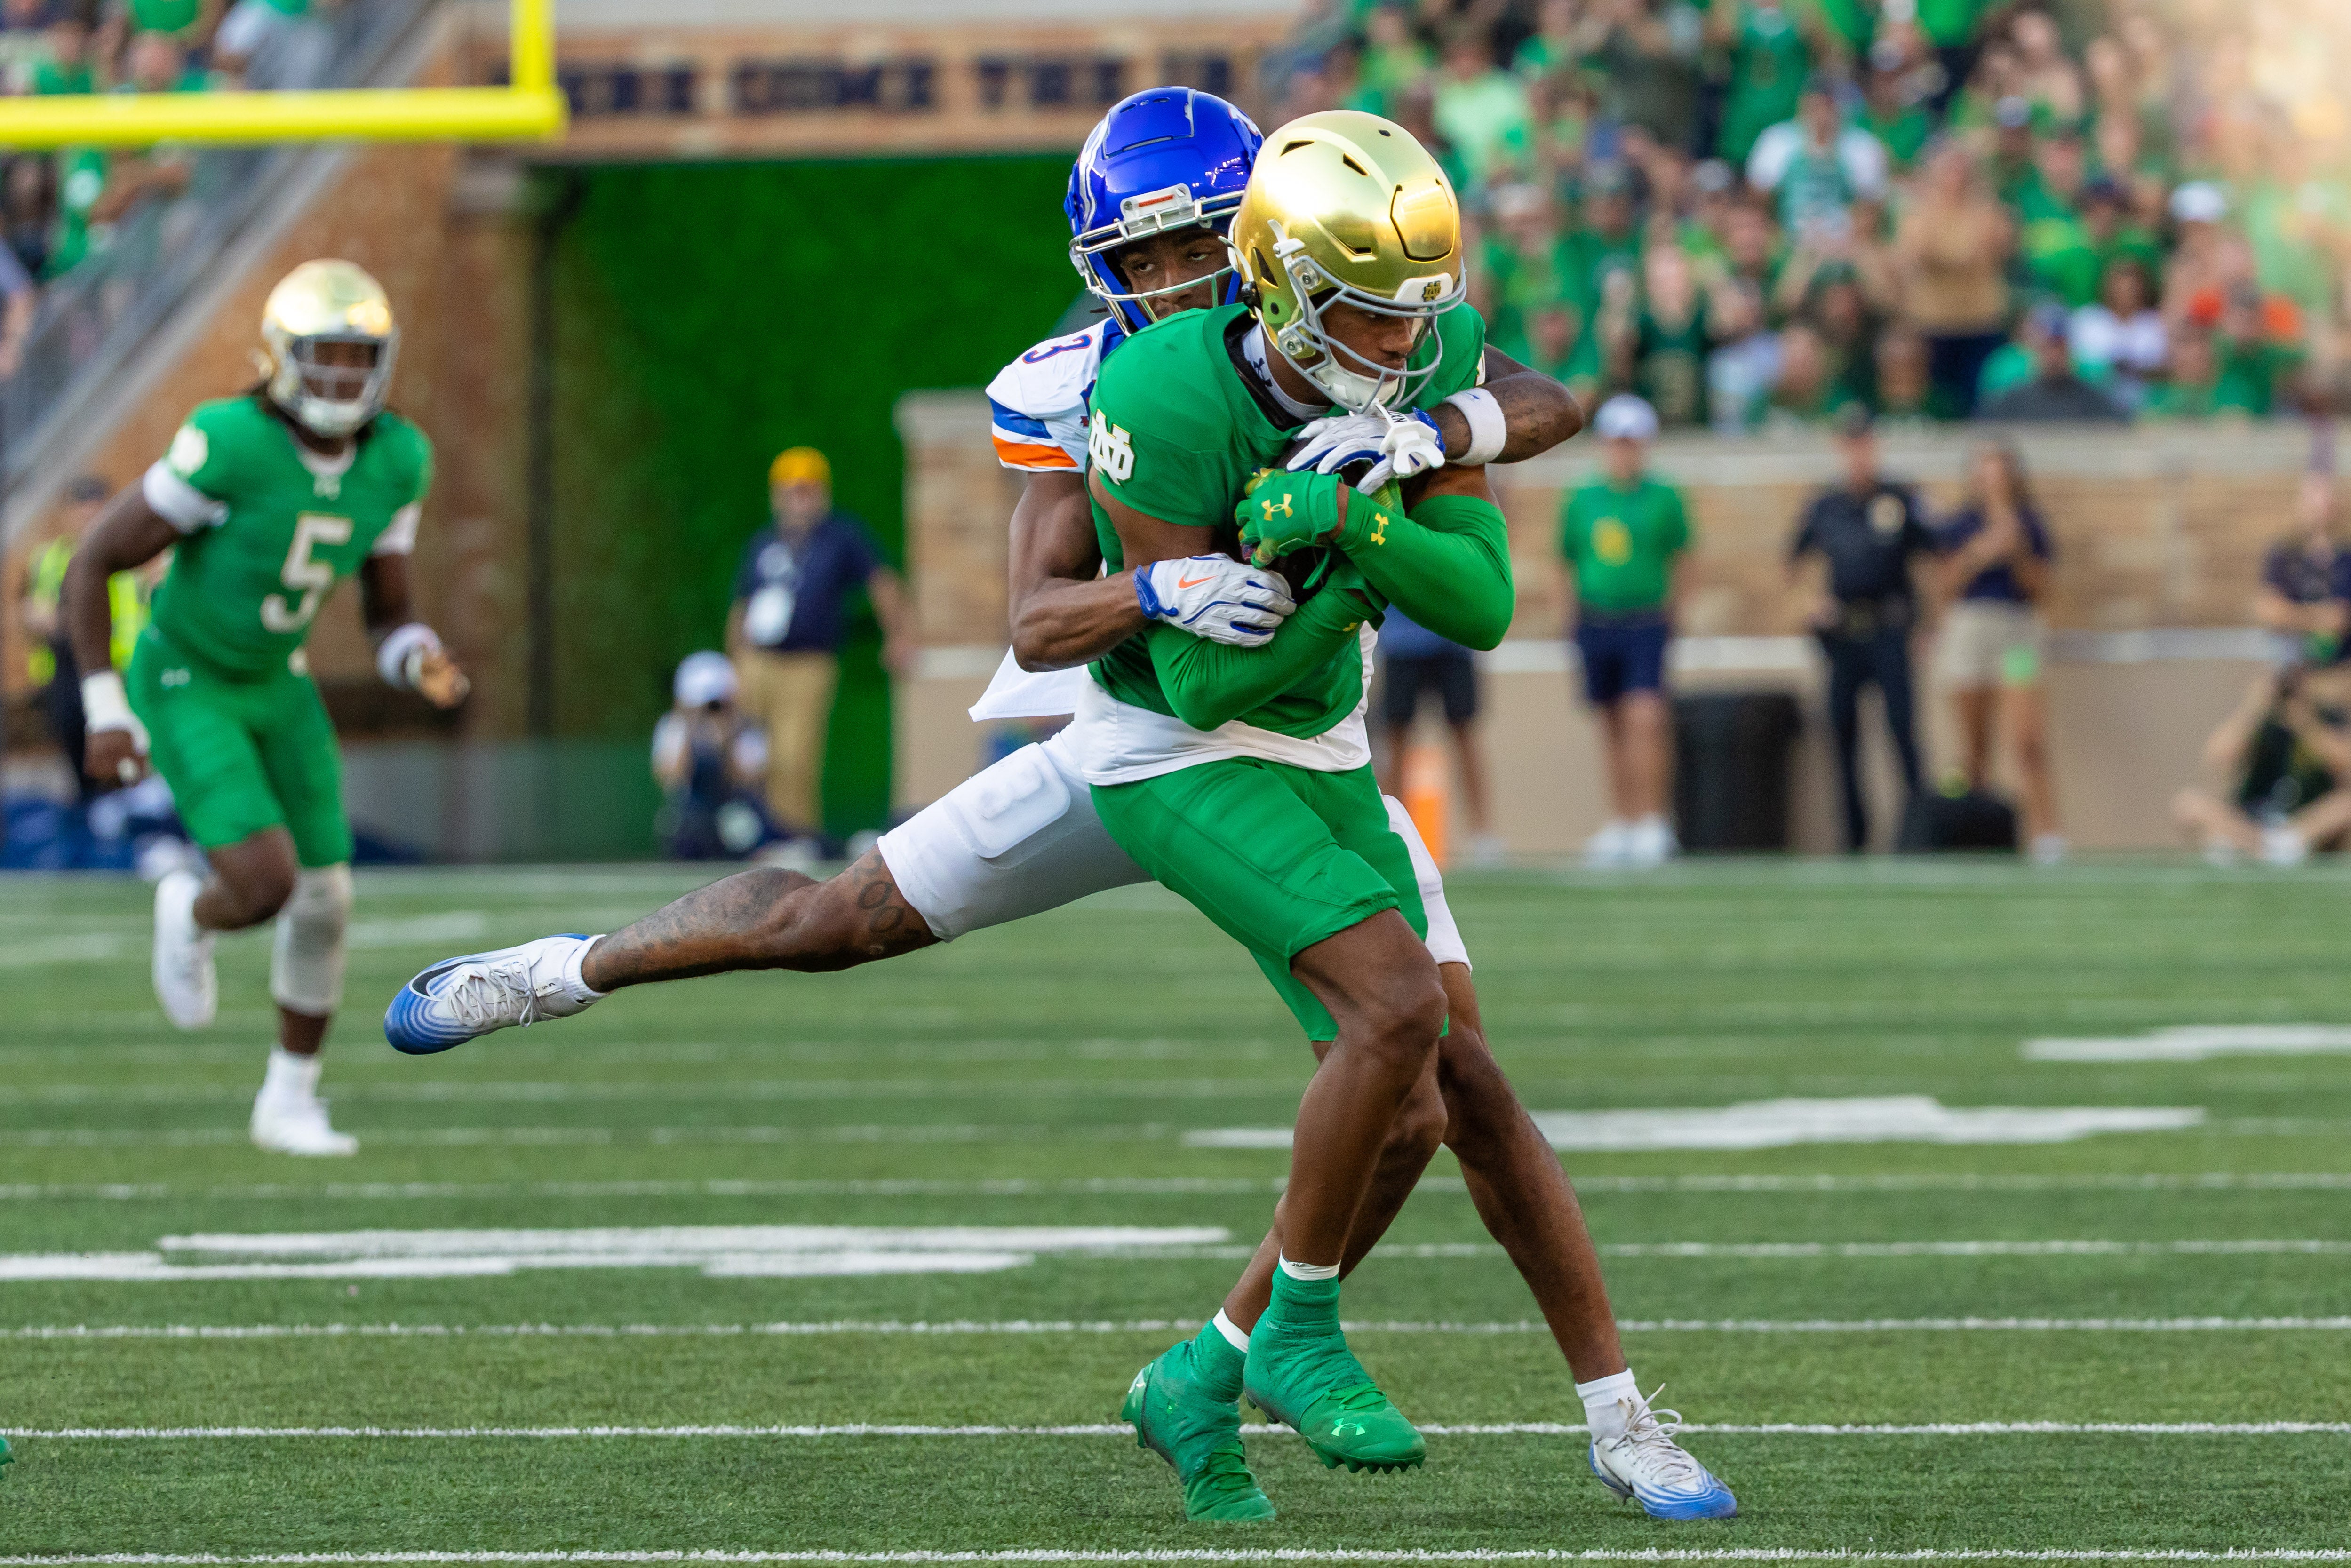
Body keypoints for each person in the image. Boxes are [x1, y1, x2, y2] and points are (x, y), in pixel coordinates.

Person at [389, 94, 1732, 1526]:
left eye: (1204, 245)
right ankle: (561, 970)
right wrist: (1154, 587)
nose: (1177, 281)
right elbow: (1036, 620)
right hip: (1141, 740)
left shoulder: (1355, 321)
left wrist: (1427, 436)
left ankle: (1602, 1414)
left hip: (1311, 747)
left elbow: (1538, 401)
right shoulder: (1094, 386)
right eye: (1144, 259)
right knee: (832, 919)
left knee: (1453, 1079)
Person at [63, 259, 467, 1155]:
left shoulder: (397, 458)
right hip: (187, 675)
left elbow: (389, 610)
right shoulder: (231, 441)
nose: (341, 378)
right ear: (282, 358)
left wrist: (418, 660)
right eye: (322, 357)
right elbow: (94, 561)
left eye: (358, 358)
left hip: (279, 680)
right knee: (265, 882)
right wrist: (104, 707)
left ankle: (289, 1099)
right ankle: (192, 911)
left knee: (326, 897)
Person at [726, 447, 912, 838]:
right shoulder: (764, 542)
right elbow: (742, 606)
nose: (799, 499)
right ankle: (747, 834)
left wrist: (897, 635)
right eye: (792, 490)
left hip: (809, 662)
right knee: (749, 754)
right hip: (757, 661)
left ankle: (795, 834)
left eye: (807, 490)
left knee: (794, 757)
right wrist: (736, 663)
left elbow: (881, 582)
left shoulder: (841, 536)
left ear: (822, 493)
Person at [1789, 405, 1935, 851]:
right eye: (1850, 445)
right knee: (1842, 736)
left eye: (1864, 443)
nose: (1858, 454)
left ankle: (1918, 834)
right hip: (1843, 636)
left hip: (1890, 628)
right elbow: (1793, 566)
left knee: (1902, 732)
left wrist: (1929, 624)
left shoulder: (1900, 499)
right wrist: (1809, 607)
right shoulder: (1825, 505)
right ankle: (1854, 837)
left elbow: (1934, 560)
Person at [1561, 394, 1690, 867]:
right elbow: (1567, 557)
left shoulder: (1663, 497)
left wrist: (1675, 612)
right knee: (1610, 721)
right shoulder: (1582, 498)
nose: (1623, 451)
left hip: (1644, 618)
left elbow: (1682, 556)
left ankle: (1651, 819)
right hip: (1596, 618)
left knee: (1645, 717)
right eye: (1616, 442)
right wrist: (1567, 614)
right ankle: (1621, 819)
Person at [1933, 442, 2061, 861]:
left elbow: (2040, 590)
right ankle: (1979, 837)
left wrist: (2016, 546)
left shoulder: (2030, 523)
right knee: (1973, 745)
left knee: (2027, 740)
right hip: (1971, 627)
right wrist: (1982, 550)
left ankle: (2046, 835)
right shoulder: (1960, 523)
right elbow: (1944, 586)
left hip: (2016, 632)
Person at [2171, 662, 2351, 867]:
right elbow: (2218, 757)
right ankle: (2264, 850)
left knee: (2345, 804)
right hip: (2252, 821)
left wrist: (2303, 722)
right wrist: (2253, 707)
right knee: (2189, 805)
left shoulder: (2323, 718)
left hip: (2300, 825)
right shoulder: (2259, 720)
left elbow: (2344, 762)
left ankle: (2269, 849)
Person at [1375, 606, 1501, 864]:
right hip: (1401, 641)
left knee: (1465, 737)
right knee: (1396, 742)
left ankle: (1483, 836)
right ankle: (1392, 835)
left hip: (1455, 637)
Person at [651, 651, 774, 861]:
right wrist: (691, 729)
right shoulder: (675, 727)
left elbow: (752, 780)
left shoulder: (746, 729)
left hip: (734, 815)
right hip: (694, 818)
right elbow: (672, 779)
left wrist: (727, 741)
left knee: (743, 827)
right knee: (679, 827)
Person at [2254, 475, 2351, 666]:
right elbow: (2269, 609)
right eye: (2314, 503)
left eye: (2326, 504)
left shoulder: (2346, 557)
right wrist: (2318, 618)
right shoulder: (2284, 553)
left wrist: (2292, 615)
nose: (2320, 511)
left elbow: (2342, 618)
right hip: (2292, 650)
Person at [1978, 301, 2127, 422]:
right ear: (2035, 349)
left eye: (2059, 346)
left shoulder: (2094, 401)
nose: (2054, 355)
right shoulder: (2012, 403)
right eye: (2048, 346)